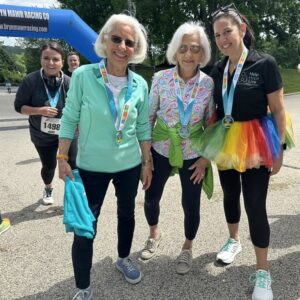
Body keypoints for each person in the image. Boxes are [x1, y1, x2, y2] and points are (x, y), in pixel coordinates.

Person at [194, 4, 293, 300]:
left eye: (228, 31)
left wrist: (279, 151)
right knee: (229, 195)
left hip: (257, 141)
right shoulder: (218, 69)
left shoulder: (265, 64)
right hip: (226, 140)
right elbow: (214, 111)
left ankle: (263, 272)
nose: (223, 39)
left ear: (242, 30)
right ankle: (233, 240)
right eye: (217, 35)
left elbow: (278, 110)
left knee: (255, 204)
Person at [57, 14, 152, 299]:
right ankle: (83, 287)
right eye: (116, 39)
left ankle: (124, 258)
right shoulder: (84, 76)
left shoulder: (140, 84)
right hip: (91, 167)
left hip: (128, 166)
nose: (122, 46)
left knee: (127, 214)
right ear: (104, 41)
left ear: (136, 49)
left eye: (129, 42)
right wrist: (62, 157)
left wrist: (147, 163)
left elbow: (143, 126)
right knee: (86, 226)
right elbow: (69, 117)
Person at [140, 22, 216, 275]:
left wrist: (205, 158)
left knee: (191, 204)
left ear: (202, 53)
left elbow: (211, 123)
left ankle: (187, 246)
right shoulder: (160, 79)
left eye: (195, 48)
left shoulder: (208, 84)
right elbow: (148, 117)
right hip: (161, 148)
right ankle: (154, 233)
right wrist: (146, 158)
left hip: (194, 153)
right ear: (175, 51)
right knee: (151, 196)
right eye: (183, 48)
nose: (188, 54)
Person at [14, 41, 77, 205]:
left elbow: (80, 108)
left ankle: (72, 197)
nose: (51, 63)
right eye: (46, 58)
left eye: (55, 59)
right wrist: (39, 111)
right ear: (41, 60)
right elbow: (19, 107)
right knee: (49, 167)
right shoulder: (31, 80)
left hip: (67, 133)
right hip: (42, 135)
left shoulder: (70, 83)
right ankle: (48, 187)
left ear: (62, 62)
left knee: (73, 164)